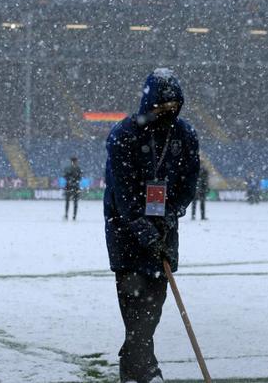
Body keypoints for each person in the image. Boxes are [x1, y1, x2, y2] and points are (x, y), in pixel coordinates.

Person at [103, 68, 199, 383]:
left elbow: (187, 186)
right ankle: (143, 368)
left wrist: (169, 218)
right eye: (162, 107)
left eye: (174, 108)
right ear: (150, 103)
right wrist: (145, 233)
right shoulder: (124, 135)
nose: (168, 114)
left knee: (154, 303)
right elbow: (125, 197)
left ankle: (133, 363)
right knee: (134, 301)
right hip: (125, 231)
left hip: (165, 227)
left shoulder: (185, 135)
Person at [63, 156, 83, 220]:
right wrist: (74, 180)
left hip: (71, 186)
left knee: (71, 202)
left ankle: (71, 215)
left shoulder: (71, 168)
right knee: (72, 202)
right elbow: (79, 177)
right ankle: (71, 215)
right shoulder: (77, 168)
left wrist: (70, 180)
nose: (75, 162)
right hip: (73, 187)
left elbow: (65, 176)